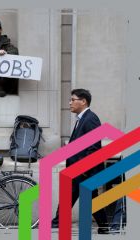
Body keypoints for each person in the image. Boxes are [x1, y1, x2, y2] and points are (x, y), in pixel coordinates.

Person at [51, 89, 109, 234]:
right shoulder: (82, 119)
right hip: (79, 171)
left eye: (72, 99)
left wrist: (82, 170)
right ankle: (104, 227)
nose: (70, 103)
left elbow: (94, 147)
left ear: (83, 101)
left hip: (83, 171)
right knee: (84, 199)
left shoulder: (91, 119)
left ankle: (56, 224)